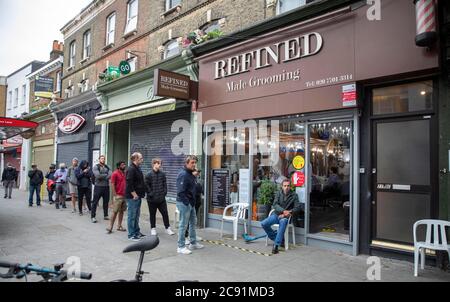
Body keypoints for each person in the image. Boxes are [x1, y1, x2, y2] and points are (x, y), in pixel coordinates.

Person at [261, 179, 302, 254]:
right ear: (282, 186)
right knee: (264, 223)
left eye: (288, 186)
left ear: (290, 187)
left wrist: (288, 212)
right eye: (285, 186)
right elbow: (275, 205)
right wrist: (283, 211)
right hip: (276, 215)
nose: (286, 187)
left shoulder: (294, 195)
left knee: (283, 222)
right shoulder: (278, 193)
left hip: (286, 217)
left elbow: (298, 207)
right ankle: (276, 238)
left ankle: (276, 245)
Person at [176, 155, 204, 255]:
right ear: (186, 163)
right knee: (183, 225)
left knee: (193, 222)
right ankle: (181, 246)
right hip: (184, 203)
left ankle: (193, 243)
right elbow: (180, 192)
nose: (194, 164)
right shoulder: (183, 174)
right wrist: (187, 203)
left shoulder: (191, 174)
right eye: (192, 162)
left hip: (191, 203)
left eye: (195, 162)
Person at [146, 158, 175, 236]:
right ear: (154, 164)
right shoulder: (148, 174)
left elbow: (165, 184)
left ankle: (167, 228)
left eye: (160, 164)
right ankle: (153, 229)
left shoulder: (162, 174)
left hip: (161, 199)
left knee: (165, 213)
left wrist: (164, 193)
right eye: (158, 163)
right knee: (152, 214)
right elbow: (146, 186)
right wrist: (151, 194)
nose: (160, 165)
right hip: (151, 200)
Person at [126, 152, 146, 242]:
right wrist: (134, 194)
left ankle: (136, 232)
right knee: (132, 215)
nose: (142, 159)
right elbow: (129, 183)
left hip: (138, 196)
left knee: (136, 215)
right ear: (135, 159)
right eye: (140, 158)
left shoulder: (138, 168)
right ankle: (131, 234)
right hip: (133, 197)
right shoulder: (131, 169)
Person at [107, 161, 127, 234]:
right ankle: (110, 227)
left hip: (124, 195)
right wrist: (115, 195)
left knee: (121, 211)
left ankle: (119, 226)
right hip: (118, 195)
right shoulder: (115, 173)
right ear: (118, 166)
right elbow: (112, 184)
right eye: (122, 165)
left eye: (124, 164)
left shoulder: (124, 173)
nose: (124, 165)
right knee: (115, 212)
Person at [184, 168, 203, 244]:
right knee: (187, 221)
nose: (198, 173)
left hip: (196, 201)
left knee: (193, 221)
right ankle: (185, 237)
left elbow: (200, 190)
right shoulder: (189, 179)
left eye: (198, 172)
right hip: (190, 202)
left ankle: (193, 236)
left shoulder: (196, 179)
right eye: (197, 171)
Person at [92, 155, 112, 223]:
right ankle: (93, 216)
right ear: (99, 159)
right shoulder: (96, 166)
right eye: (101, 158)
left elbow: (110, 175)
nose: (103, 160)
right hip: (98, 187)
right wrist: (106, 175)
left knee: (106, 202)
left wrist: (102, 175)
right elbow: (97, 176)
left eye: (104, 159)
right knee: (95, 202)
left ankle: (105, 215)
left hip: (106, 187)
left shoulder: (107, 166)